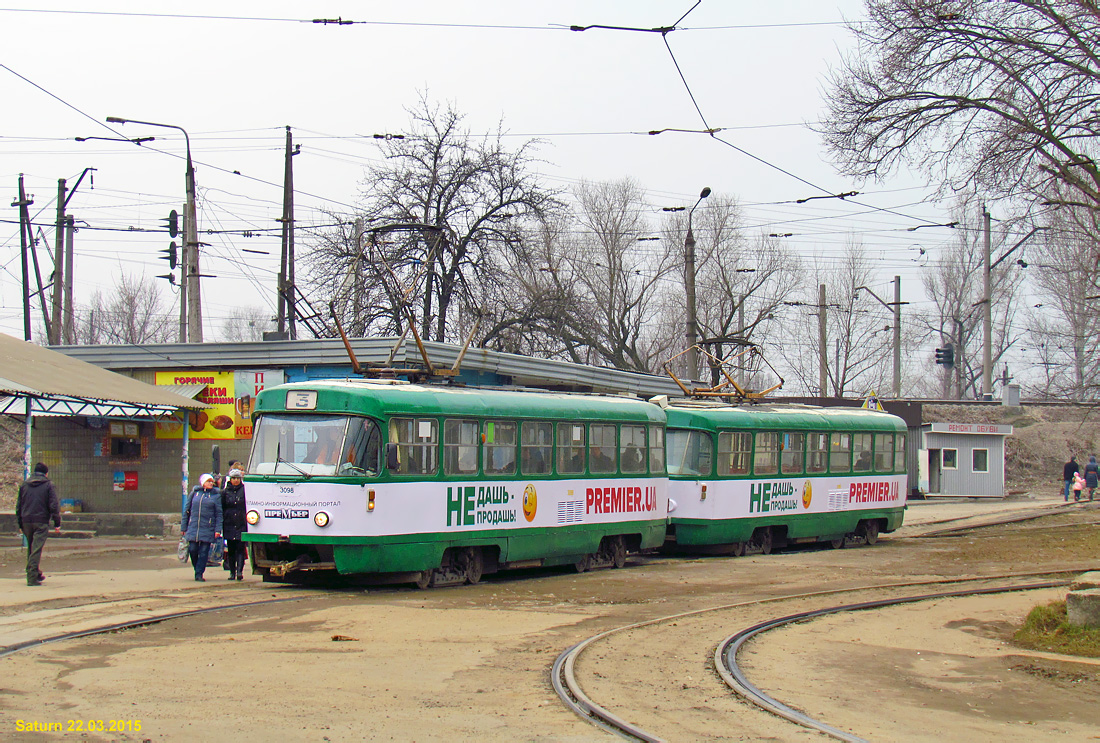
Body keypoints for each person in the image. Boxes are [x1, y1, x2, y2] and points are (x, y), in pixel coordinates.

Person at [16, 462, 61, 587]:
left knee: (31, 548)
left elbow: (19, 505)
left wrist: (20, 523)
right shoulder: (48, 485)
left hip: (26, 521)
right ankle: (31, 576)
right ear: (46, 473)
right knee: (36, 549)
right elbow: (53, 505)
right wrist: (57, 522)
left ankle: (35, 572)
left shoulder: (24, 485)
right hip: (41, 521)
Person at [182, 473, 222, 582]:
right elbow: (187, 510)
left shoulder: (216, 495)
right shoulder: (195, 493)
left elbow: (219, 513)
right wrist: (184, 527)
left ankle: (199, 573)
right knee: (193, 549)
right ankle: (197, 568)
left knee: (204, 551)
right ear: (203, 483)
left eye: (211, 482)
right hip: (194, 527)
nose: (211, 483)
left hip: (208, 527)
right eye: (208, 481)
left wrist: (218, 529)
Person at [221, 468, 248, 580]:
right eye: (233, 478)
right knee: (231, 550)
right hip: (229, 523)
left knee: (240, 548)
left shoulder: (245, 490)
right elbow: (222, 507)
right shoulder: (225, 492)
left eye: (237, 478)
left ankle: (240, 571)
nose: (235, 480)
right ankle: (232, 572)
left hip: (241, 522)